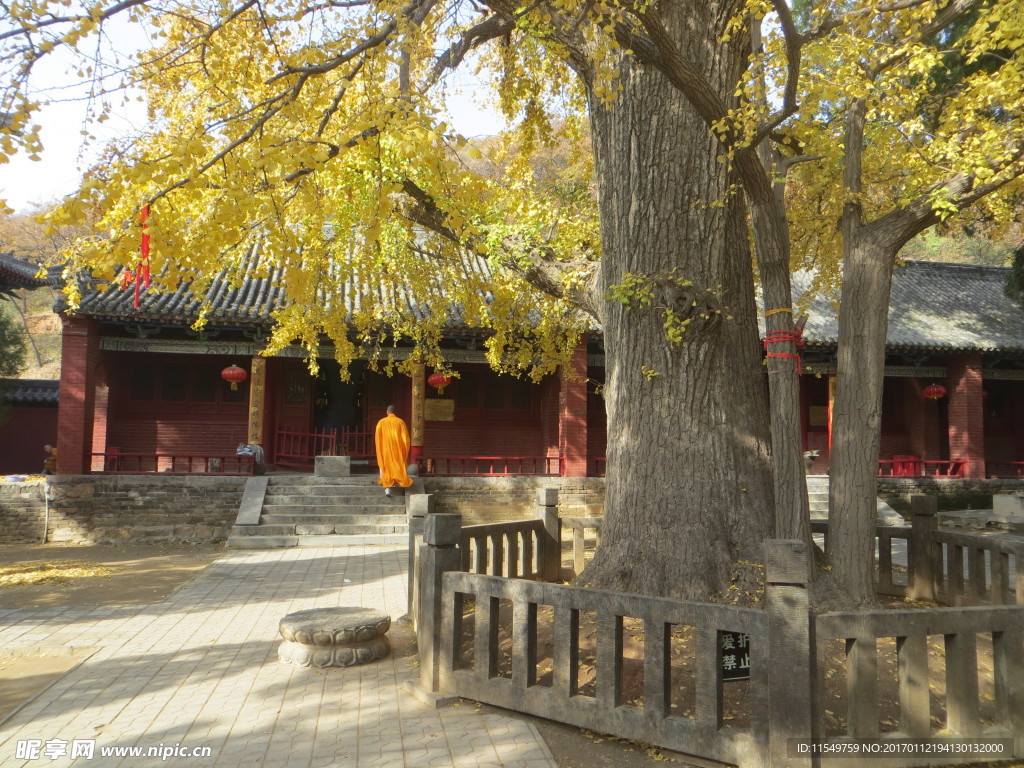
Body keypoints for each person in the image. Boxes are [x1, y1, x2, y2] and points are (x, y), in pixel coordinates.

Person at [374, 405, 413, 496]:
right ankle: (398, 481)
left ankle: (387, 489)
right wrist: (404, 451)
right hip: (397, 451)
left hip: (385, 450)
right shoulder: (400, 422)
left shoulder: (381, 422)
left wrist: (380, 449)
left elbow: (377, 438)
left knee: (385, 467)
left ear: (387, 411)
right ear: (395, 412)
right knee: (397, 466)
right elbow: (406, 439)